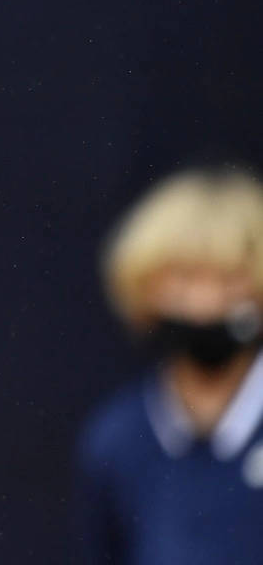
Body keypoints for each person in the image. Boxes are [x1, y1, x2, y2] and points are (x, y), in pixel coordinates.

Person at [76, 166, 263, 563]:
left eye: (230, 278)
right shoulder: (115, 441)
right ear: (143, 291)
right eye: (184, 280)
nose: (205, 305)